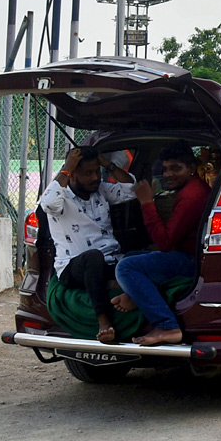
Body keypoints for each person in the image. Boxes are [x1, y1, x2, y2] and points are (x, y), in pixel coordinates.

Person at [111, 143, 212, 345]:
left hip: (191, 261)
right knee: (131, 257)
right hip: (185, 255)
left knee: (126, 267)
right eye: (165, 169)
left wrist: (146, 203)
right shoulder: (191, 189)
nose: (168, 174)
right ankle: (134, 295)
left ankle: (167, 325)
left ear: (191, 168)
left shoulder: (192, 196)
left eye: (176, 168)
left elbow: (165, 243)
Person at [39, 146, 137, 342]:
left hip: (110, 260)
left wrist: (107, 164)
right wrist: (67, 166)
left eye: (96, 172)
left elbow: (131, 190)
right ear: (72, 175)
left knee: (141, 257)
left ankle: (115, 284)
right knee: (93, 257)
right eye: (87, 173)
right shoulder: (60, 196)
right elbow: (48, 204)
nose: (95, 178)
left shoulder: (100, 190)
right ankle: (103, 321)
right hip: (75, 267)